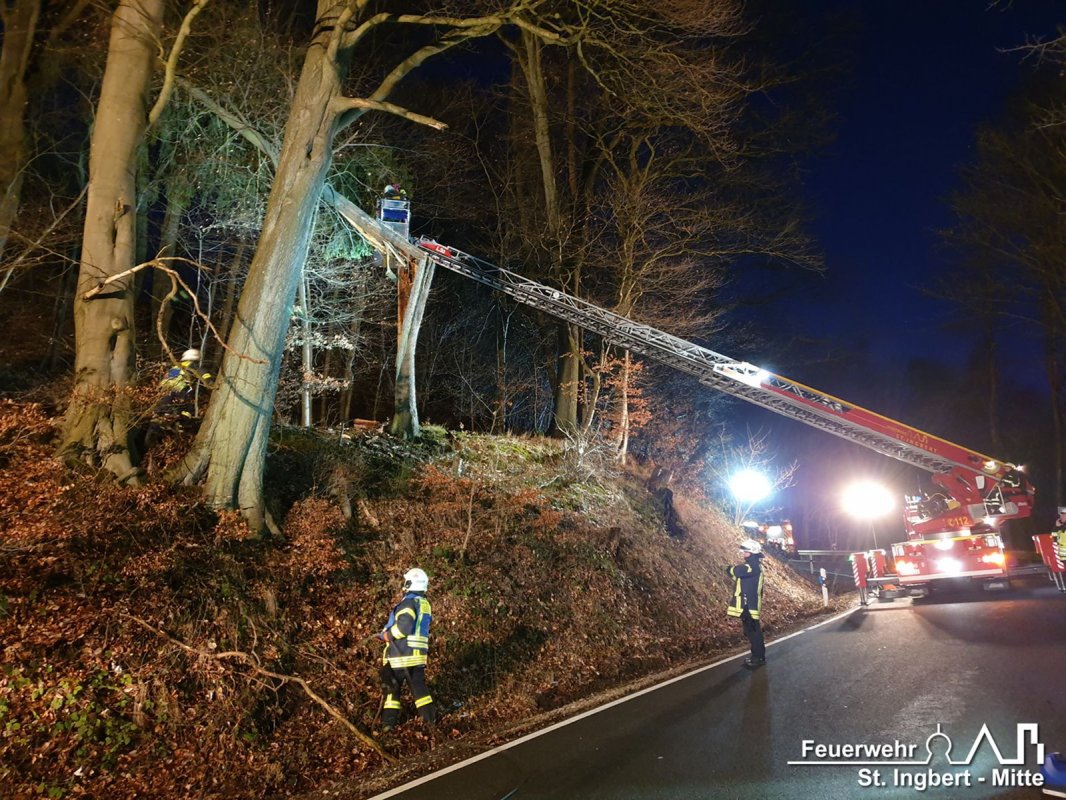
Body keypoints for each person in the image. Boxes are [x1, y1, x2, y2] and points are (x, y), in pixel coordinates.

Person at [377, 567, 435, 731]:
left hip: (401, 655)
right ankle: (430, 723)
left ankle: (388, 725)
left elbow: (404, 627)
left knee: (392, 691)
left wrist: (387, 635)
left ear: (410, 583)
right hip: (416, 657)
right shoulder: (423, 603)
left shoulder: (408, 603)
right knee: (419, 690)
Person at [727, 539, 766, 668]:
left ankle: (758, 658)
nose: (743, 553)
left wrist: (730, 569)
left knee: (754, 632)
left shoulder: (752, 566)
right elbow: (738, 575)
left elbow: (737, 571)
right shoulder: (750, 566)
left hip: (750, 606)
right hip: (747, 606)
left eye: (746, 551)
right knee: (750, 631)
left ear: (753, 552)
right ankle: (756, 656)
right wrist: (732, 570)